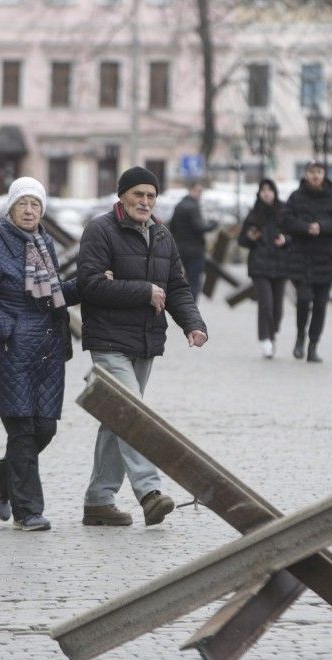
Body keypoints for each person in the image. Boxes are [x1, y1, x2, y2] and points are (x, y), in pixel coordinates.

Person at [76, 166, 209, 527]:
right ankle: (149, 492)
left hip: (145, 341)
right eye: (138, 194)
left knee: (117, 418)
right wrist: (144, 291)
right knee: (133, 414)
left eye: (151, 195)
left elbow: (177, 287)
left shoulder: (163, 236)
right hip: (108, 340)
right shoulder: (100, 230)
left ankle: (99, 501)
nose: (145, 202)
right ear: (122, 196)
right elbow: (88, 285)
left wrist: (193, 324)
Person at [0, 177, 79, 532]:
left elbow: (51, 294)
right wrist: (9, 328)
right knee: (24, 432)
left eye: (36, 204)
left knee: (45, 428)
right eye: (23, 204)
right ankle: (27, 512)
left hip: (46, 352)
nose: (30, 211)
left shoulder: (44, 243)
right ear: (10, 208)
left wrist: (89, 284)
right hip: (9, 353)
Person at [279, 161, 332, 363]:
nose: (315, 176)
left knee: (320, 304)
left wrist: (323, 227)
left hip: (326, 259)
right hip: (301, 258)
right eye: (312, 172)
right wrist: (305, 227)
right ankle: (300, 336)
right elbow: (286, 220)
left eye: (319, 172)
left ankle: (313, 345)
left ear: (324, 174)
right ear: (306, 174)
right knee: (303, 299)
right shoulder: (296, 197)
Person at [238, 178, 288, 359]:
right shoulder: (253, 214)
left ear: (275, 192)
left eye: (270, 190)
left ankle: (272, 334)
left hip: (281, 265)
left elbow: (294, 234)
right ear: (259, 193)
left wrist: (286, 239)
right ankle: (265, 338)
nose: (266, 193)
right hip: (259, 265)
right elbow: (241, 240)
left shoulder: (284, 211)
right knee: (265, 304)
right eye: (263, 190)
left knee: (278, 309)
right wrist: (250, 237)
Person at [168, 181, 216, 299]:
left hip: (180, 249)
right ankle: (191, 310)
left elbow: (171, 226)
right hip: (195, 251)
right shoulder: (193, 206)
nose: (200, 194)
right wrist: (213, 224)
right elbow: (199, 227)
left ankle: (182, 306)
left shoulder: (179, 205)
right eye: (199, 191)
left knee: (181, 281)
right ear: (192, 190)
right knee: (194, 282)